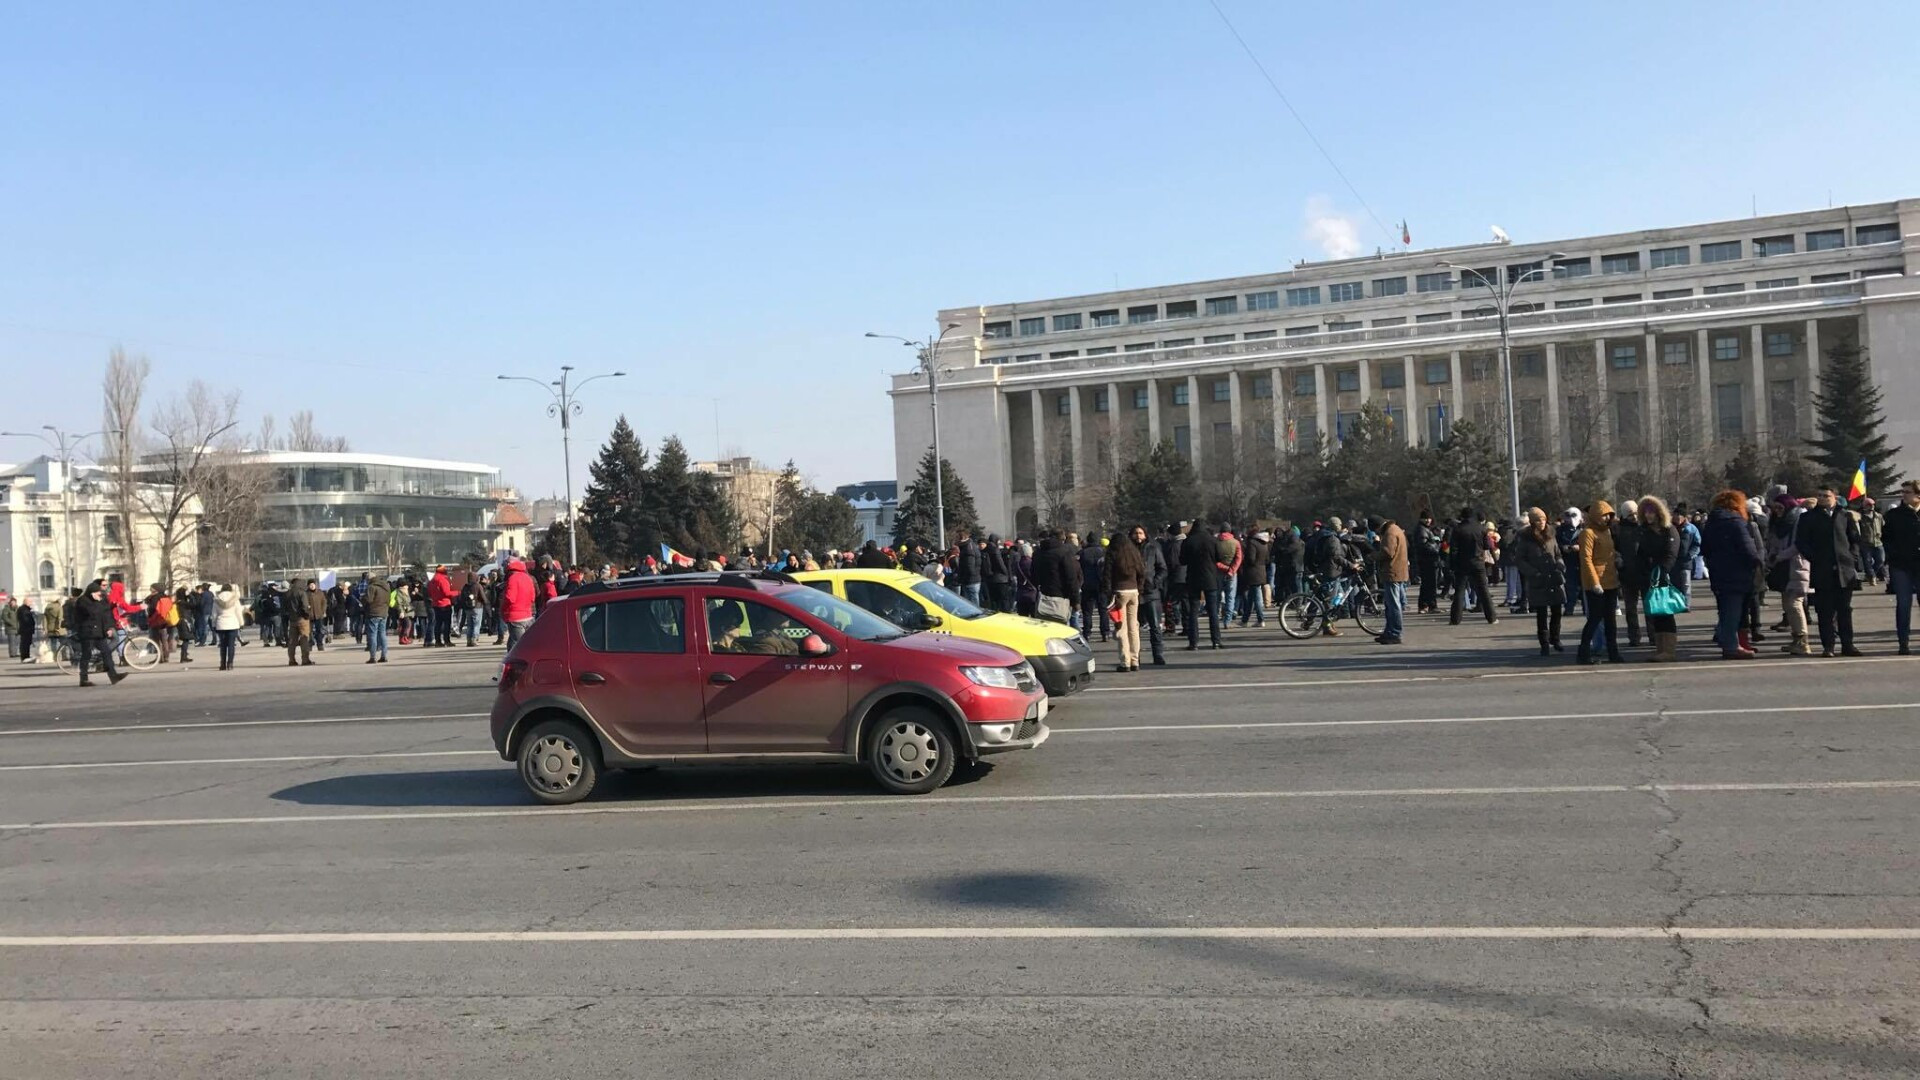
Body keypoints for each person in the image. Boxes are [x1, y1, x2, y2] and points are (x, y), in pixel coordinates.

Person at [1797, 487, 1864, 657]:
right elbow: (1801, 542)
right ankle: (1829, 646)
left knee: (1844, 610)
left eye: (1826, 496)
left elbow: (1854, 539)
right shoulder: (1808, 517)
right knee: (1825, 610)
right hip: (1822, 570)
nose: (1822, 498)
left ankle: (1848, 645)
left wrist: (1852, 557)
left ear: (1835, 497)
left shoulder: (1845, 515)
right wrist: (1815, 558)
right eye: (1819, 496)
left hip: (1844, 570)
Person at [1701, 489, 1760, 660]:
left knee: (1725, 610)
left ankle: (1728, 641)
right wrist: (1756, 564)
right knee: (1733, 612)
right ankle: (1731, 646)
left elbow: (1705, 549)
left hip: (1718, 572)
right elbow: (1749, 549)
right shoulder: (1736, 522)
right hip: (1737, 573)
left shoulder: (1711, 523)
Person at [1633, 496, 1683, 662]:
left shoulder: (1669, 530)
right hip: (1649, 577)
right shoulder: (1644, 531)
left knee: (1666, 613)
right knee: (1656, 613)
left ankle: (1668, 650)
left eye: (1652, 511)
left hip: (1664, 577)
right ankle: (1660, 648)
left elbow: (1671, 553)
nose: (1649, 515)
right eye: (1646, 512)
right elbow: (1640, 554)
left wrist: (1662, 571)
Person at [1765, 491, 1814, 657]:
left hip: (1797, 564)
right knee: (1787, 604)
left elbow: (1798, 545)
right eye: (1775, 508)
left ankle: (1802, 640)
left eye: (1780, 507)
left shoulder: (1798, 520)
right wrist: (1772, 555)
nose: (1778, 511)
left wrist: (1780, 555)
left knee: (1794, 602)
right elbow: (1773, 541)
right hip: (1782, 567)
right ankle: (1796, 638)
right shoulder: (1778, 523)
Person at [1576, 501, 1624, 665]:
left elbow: (1610, 553)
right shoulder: (1587, 533)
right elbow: (1586, 559)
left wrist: (1617, 559)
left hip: (1610, 581)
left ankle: (1613, 652)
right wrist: (1595, 582)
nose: (1606, 518)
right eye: (1603, 515)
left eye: (1608, 515)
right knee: (1595, 619)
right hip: (1595, 584)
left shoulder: (1607, 532)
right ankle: (1583, 653)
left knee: (1611, 621)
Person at [1512, 507, 1564, 657]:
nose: (1542, 523)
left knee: (1557, 611)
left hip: (1554, 577)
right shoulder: (1525, 538)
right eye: (1538, 520)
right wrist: (1533, 572)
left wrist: (1560, 564)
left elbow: (1558, 553)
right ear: (1532, 522)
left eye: (1543, 519)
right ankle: (1545, 643)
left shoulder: (1552, 534)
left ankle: (1556, 638)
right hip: (1538, 579)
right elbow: (1520, 560)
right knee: (1541, 613)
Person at [1102, 530, 1146, 672]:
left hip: (1119, 592)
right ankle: (1135, 660)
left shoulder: (1113, 553)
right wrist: (1139, 588)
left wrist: (1108, 594)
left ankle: (1124, 661)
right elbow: (1142, 573)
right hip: (1133, 591)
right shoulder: (1133, 553)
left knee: (1121, 627)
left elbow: (1107, 575)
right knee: (1134, 627)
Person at [1180, 517, 1224, 651]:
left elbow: (1182, 560)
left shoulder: (1188, 541)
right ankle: (1216, 641)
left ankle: (1193, 642)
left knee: (1193, 611)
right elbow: (1220, 558)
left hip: (1193, 577)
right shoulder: (1212, 540)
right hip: (1210, 577)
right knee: (1213, 611)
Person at [1887, 481, 1920, 654]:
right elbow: (1887, 539)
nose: (1904, 495)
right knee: (1903, 604)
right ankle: (1903, 643)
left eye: (1908, 492)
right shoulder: (1894, 515)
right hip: (1901, 566)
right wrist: (1893, 555)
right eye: (1903, 492)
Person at [71, 579, 125, 686]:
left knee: (106, 652)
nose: (99, 595)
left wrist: (108, 628)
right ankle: (83, 679)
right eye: (97, 593)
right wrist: (98, 602)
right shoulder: (83, 601)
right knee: (86, 655)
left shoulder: (101, 601)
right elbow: (91, 613)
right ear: (91, 593)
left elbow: (105, 615)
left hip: (99, 632)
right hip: (87, 632)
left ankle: (113, 676)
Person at [1448, 507, 1497, 625]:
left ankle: (1455, 619)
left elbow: (1453, 549)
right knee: (1483, 590)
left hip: (1462, 563)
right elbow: (1486, 546)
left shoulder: (1458, 529)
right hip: (1478, 562)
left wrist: (1452, 564)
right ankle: (1491, 617)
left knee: (1459, 591)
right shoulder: (1481, 528)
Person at [1133, 524, 1168, 666]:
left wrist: (1155, 582)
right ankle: (1135, 656)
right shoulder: (1128, 550)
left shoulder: (1153, 549)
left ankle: (1158, 654)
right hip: (1134, 592)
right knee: (1134, 627)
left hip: (1151, 592)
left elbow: (1163, 568)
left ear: (1145, 534)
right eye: (1135, 533)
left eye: (1140, 533)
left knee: (1155, 625)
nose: (1138, 536)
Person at [1370, 514, 1408, 645]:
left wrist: (1373, 555)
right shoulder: (1395, 528)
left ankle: (1395, 633)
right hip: (1399, 571)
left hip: (1392, 572)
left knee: (1393, 605)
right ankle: (1389, 631)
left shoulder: (1389, 533)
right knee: (1391, 604)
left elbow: (1388, 552)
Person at [1031, 529, 1079, 625]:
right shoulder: (1064, 552)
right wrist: (1075, 601)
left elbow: (1033, 574)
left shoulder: (1038, 553)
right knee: (1061, 628)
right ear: (1062, 538)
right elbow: (1071, 577)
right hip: (1061, 596)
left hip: (1042, 597)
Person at [1078, 533, 1108, 641]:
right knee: (1103, 610)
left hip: (1087, 584)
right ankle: (1105, 632)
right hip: (1101, 584)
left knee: (1087, 611)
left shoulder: (1082, 553)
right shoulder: (1103, 552)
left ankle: (1087, 632)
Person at [1237, 529, 1270, 629]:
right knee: (1251, 598)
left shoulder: (1252, 543)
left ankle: (1261, 619)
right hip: (1261, 571)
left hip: (1253, 573)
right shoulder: (1264, 543)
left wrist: (1245, 562)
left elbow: (1251, 559)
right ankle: (1244, 620)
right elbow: (1267, 559)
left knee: (1257, 598)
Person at [1557, 508, 1586, 616]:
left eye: (1573, 516)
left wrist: (1580, 547)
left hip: (1582, 561)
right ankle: (1569, 607)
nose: (1570, 519)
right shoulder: (1560, 530)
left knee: (1584, 586)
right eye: (1568, 516)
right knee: (1570, 586)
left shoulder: (1584, 529)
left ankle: (1585, 607)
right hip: (1568, 561)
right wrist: (1563, 547)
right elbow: (1556, 544)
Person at [1414, 511, 1443, 614]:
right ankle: (1431, 605)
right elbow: (1424, 546)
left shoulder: (1425, 529)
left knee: (1427, 584)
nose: (1428, 520)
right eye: (1426, 518)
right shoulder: (1422, 530)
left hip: (1428, 561)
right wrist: (1437, 546)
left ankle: (1424, 605)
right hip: (1428, 561)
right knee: (1430, 584)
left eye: (1429, 518)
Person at [212, 583, 244, 670]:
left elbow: (214, 614)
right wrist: (241, 623)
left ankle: (222, 664)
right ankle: (230, 663)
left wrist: (213, 624)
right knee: (231, 645)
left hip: (221, 624)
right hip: (232, 623)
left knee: (223, 645)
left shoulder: (217, 600)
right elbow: (238, 612)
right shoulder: (235, 599)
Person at [364, 574, 393, 664]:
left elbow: (369, 600)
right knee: (382, 634)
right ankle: (384, 656)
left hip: (373, 613)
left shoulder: (371, 587)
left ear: (369, 579)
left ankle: (373, 657)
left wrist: (363, 598)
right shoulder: (386, 586)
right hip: (384, 612)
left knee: (372, 635)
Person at [1216, 527, 1243, 624]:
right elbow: (1239, 558)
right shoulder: (1235, 542)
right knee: (1230, 597)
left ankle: (1215, 618)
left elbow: (1214, 559)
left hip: (1218, 572)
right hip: (1232, 573)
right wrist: (1232, 570)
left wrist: (1222, 567)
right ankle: (1227, 620)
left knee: (1217, 596)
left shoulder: (1216, 542)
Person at [1860, 497, 1886, 586]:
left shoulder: (1878, 516)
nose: (1872, 506)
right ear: (1864, 506)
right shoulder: (1860, 517)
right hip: (1865, 543)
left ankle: (1871, 575)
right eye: (1869, 505)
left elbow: (1883, 526)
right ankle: (1872, 577)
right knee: (1867, 562)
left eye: (1873, 504)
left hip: (1878, 542)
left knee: (1881, 560)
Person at [15, 599, 35, 664]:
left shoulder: (25, 609)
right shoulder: (24, 609)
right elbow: (26, 619)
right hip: (26, 629)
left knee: (27, 643)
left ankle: (26, 656)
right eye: (30, 602)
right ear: (26, 602)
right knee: (25, 643)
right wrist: (30, 624)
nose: (31, 603)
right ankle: (25, 657)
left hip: (26, 629)